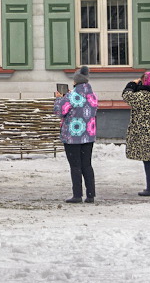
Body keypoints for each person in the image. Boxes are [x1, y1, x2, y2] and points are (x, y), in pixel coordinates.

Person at [55, 65, 98, 203]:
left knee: (75, 166)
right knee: (87, 165)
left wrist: (59, 99)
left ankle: (77, 195)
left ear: (75, 81)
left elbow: (59, 112)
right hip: (88, 135)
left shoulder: (71, 96)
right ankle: (90, 195)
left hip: (72, 137)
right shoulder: (93, 95)